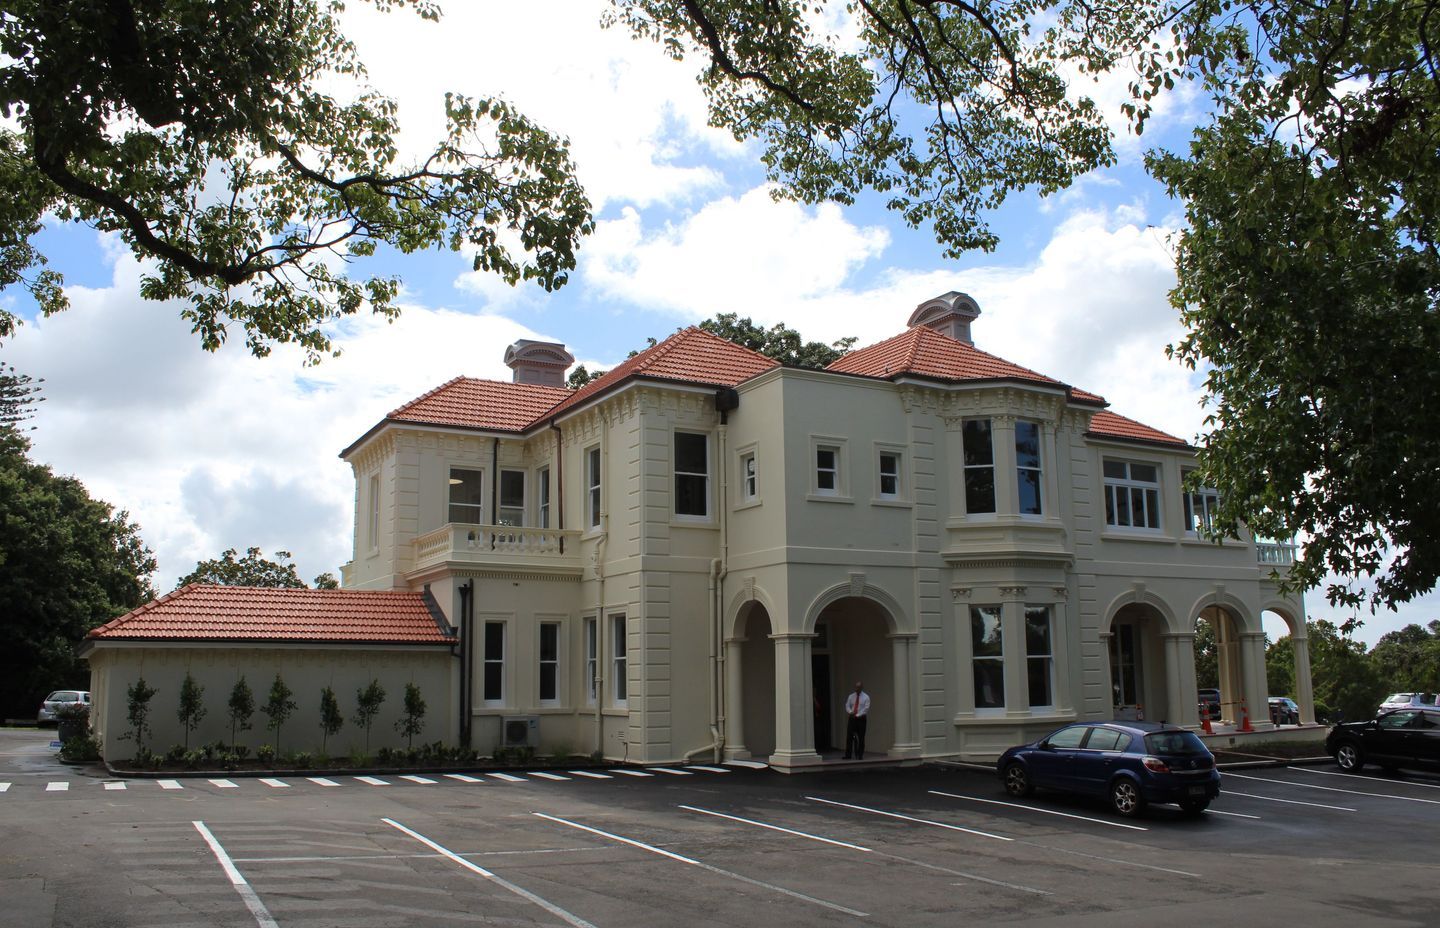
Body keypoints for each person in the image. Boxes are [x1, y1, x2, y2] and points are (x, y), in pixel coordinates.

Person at [843, 681, 870, 760]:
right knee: (849, 737)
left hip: (861, 719)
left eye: (858, 687)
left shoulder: (866, 697)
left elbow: (866, 709)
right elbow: (847, 705)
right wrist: (851, 712)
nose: (857, 689)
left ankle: (859, 755)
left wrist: (857, 715)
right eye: (856, 687)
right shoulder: (851, 696)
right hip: (852, 718)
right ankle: (848, 755)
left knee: (861, 737)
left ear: (862, 688)